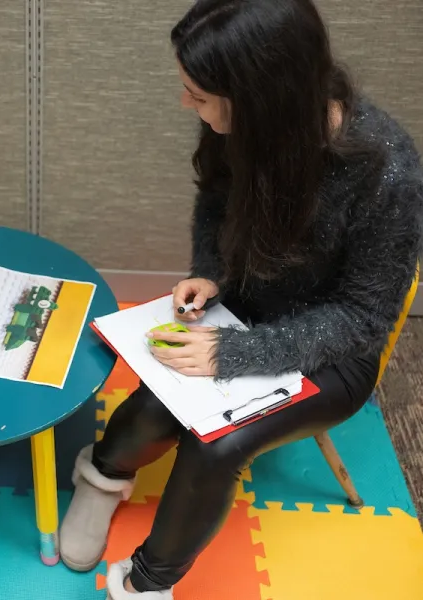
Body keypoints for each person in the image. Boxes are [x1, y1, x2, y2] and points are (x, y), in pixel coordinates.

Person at [58, 0, 423, 598]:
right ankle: (101, 479)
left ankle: (148, 582)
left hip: (335, 351)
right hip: (248, 305)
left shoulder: (388, 170)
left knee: (220, 442)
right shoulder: (251, 124)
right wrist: (211, 272)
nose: (187, 106)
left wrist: (236, 354)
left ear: (262, 96)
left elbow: (363, 317)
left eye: (198, 96)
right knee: (155, 406)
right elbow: (215, 201)